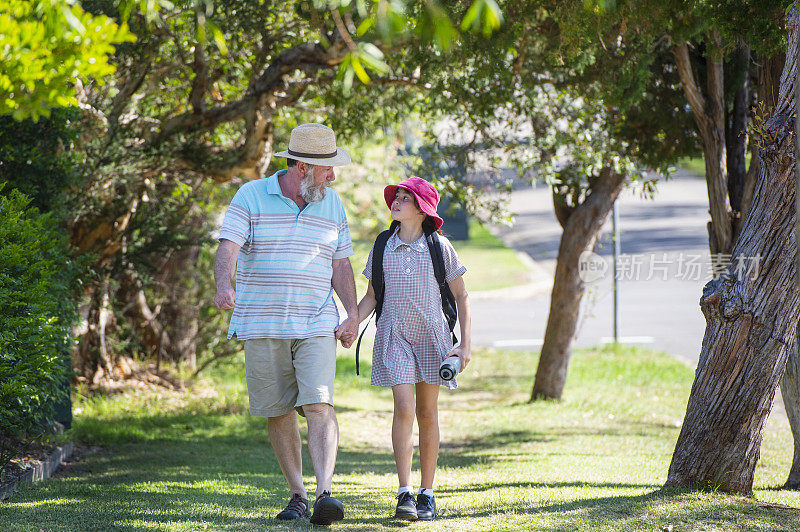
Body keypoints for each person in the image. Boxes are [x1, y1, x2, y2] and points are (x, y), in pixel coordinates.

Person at [214, 123, 359, 526]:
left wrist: (351, 312)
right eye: (326, 168)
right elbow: (228, 246)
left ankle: (325, 493)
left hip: (316, 320)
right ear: (301, 166)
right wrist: (224, 285)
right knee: (277, 411)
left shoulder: (332, 204)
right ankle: (298, 493)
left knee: (319, 402)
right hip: (262, 322)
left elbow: (340, 262)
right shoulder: (252, 195)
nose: (333, 175)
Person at [352, 176, 472, 521]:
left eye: (406, 198)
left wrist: (464, 345)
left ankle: (427, 493)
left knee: (427, 413)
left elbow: (462, 295)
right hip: (395, 335)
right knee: (403, 408)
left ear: (422, 209)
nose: (397, 201)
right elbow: (373, 296)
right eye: (397, 196)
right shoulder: (382, 245)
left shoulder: (439, 246)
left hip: (432, 338)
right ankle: (404, 491)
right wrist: (350, 324)